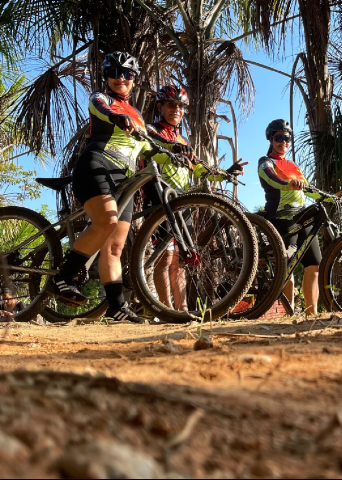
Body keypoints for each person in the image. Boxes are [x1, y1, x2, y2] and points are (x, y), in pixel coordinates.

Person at [48, 51, 173, 323]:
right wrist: (116, 117)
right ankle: (63, 277)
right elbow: (101, 110)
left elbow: (152, 149)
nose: (120, 78)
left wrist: (181, 157)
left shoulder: (138, 116)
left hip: (124, 182)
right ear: (106, 76)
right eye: (114, 72)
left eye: (126, 73)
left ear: (134, 79)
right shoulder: (101, 98)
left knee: (114, 248)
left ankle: (117, 308)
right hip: (96, 165)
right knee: (106, 221)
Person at [144, 85, 247, 311]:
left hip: (182, 201)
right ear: (160, 106)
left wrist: (226, 172)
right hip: (158, 197)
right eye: (172, 104)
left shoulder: (181, 138)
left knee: (181, 260)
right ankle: (166, 309)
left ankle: (180, 310)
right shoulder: (151, 130)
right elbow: (152, 143)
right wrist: (176, 148)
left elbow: (199, 169)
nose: (177, 109)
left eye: (181, 106)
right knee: (165, 257)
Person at [258, 119, 342, 315]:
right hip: (281, 218)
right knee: (287, 265)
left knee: (314, 265)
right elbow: (270, 178)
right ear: (271, 139)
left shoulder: (293, 166)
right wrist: (287, 184)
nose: (283, 142)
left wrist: (332, 196)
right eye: (279, 138)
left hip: (303, 217)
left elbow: (310, 190)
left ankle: (311, 313)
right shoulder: (266, 162)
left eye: (287, 138)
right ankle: (288, 313)